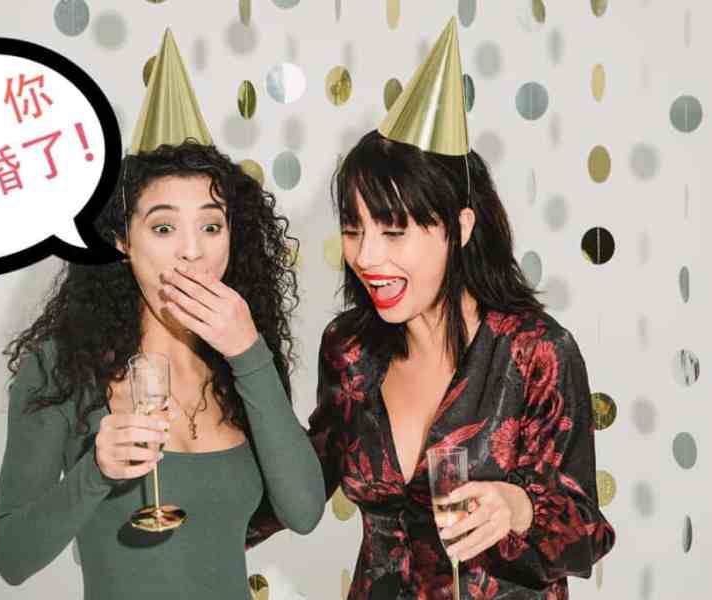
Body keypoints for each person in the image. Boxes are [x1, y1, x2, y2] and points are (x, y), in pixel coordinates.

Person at [247, 18, 615, 599]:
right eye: (353, 229)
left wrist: (518, 506)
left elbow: (586, 532)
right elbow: (299, 487)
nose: (366, 256)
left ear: (459, 228)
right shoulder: (350, 350)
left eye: (394, 232)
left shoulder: (534, 351)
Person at [0, 29, 324, 599]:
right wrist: (96, 471)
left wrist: (250, 353)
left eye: (211, 226)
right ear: (123, 240)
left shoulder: (242, 364)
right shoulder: (62, 368)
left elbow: (305, 511)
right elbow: (12, 557)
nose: (193, 251)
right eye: (164, 227)